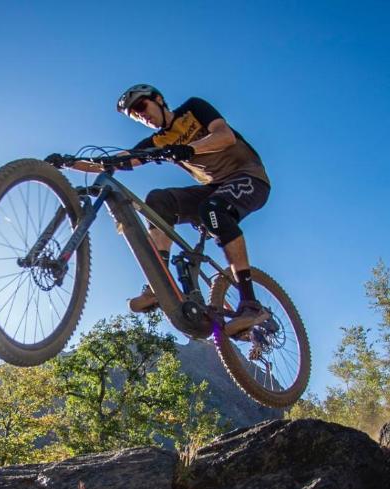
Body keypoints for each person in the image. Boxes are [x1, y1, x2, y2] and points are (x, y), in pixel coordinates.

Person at [54, 84, 271, 336]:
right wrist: (69, 162)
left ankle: (250, 304)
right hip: (214, 188)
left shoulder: (193, 108)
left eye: (141, 106)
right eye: (134, 115)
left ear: (158, 99)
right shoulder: (158, 142)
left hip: (249, 176)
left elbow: (225, 136)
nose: (141, 115)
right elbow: (115, 161)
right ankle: (159, 284)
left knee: (213, 209)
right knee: (158, 201)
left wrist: (190, 148)